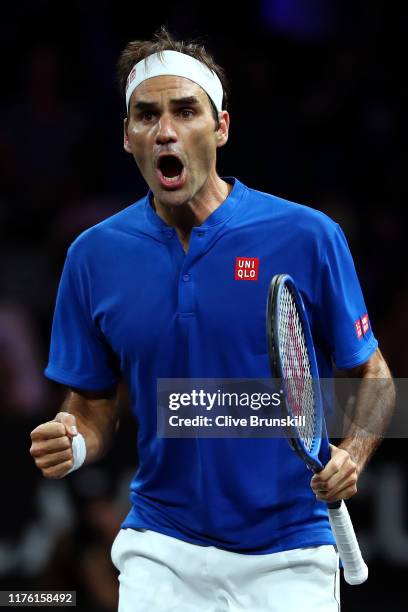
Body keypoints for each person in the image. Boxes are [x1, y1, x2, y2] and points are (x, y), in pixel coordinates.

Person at [30, 27, 395, 612]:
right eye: (146, 116)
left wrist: (353, 452)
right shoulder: (92, 256)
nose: (165, 130)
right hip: (161, 549)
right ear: (128, 137)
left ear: (221, 127)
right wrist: (75, 440)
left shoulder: (308, 236)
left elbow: (374, 379)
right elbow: (93, 404)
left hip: (290, 552)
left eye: (185, 111)